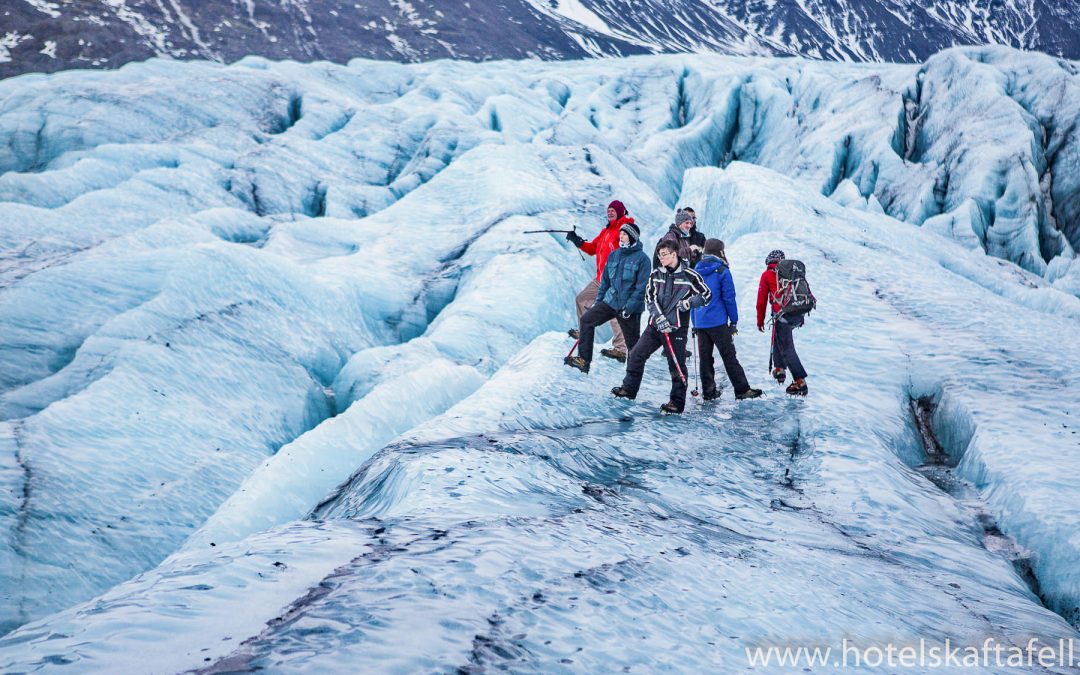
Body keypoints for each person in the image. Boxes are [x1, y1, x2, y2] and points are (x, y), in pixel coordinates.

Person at [612, 239, 712, 414]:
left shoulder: (690, 276)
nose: (661, 257)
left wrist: (689, 303)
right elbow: (650, 299)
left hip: (676, 329)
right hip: (655, 327)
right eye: (659, 254)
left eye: (664, 254)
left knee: (677, 365)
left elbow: (707, 294)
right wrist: (659, 318)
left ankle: (676, 402)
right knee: (636, 355)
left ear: (674, 254)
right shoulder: (656, 274)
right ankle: (628, 390)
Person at [565, 222, 650, 373]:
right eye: (621, 234)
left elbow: (641, 288)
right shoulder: (614, 255)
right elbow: (605, 282)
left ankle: (631, 381)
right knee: (586, 320)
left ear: (632, 237)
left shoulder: (642, 259)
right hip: (611, 302)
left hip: (629, 308)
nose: (621, 237)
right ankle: (584, 360)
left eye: (624, 234)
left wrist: (629, 308)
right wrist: (599, 302)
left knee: (633, 347)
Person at [691, 239, 762, 400]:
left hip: (701, 322)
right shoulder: (722, 270)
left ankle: (708, 392)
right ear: (720, 252)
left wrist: (695, 323)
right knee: (729, 355)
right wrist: (734, 321)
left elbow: (692, 298)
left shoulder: (696, 270)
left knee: (705, 358)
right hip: (718, 322)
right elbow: (729, 298)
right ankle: (742, 389)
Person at [567, 200, 633, 361]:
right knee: (582, 299)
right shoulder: (606, 232)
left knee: (612, 312)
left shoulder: (624, 231)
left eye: (613, 210)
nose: (610, 212)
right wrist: (579, 242)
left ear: (620, 211)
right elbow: (592, 249)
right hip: (601, 279)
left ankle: (621, 349)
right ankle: (584, 332)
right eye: (608, 210)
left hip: (615, 280)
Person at [756, 249, 809, 396]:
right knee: (780, 337)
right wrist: (801, 316)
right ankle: (779, 369)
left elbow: (761, 301)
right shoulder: (792, 274)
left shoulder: (767, 274)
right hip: (796, 313)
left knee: (787, 347)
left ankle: (800, 381)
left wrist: (760, 321)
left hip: (782, 314)